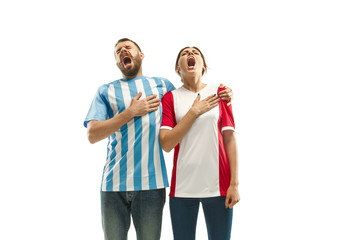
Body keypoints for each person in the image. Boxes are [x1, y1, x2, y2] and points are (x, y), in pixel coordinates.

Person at [84, 39, 233, 240]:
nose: (123, 51)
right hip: (113, 186)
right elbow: (92, 135)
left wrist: (225, 94)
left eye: (128, 48)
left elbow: (189, 93)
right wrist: (130, 112)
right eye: (118, 51)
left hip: (151, 186)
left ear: (141, 55)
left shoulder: (163, 86)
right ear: (117, 62)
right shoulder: (105, 90)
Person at [160, 46, 240, 240]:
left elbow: (230, 139)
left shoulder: (220, 92)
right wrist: (194, 112)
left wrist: (234, 184)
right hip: (182, 190)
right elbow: (166, 144)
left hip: (218, 187)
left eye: (195, 52)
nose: (190, 54)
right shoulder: (171, 98)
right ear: (178, 68)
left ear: (203, 66)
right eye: (184, 53)